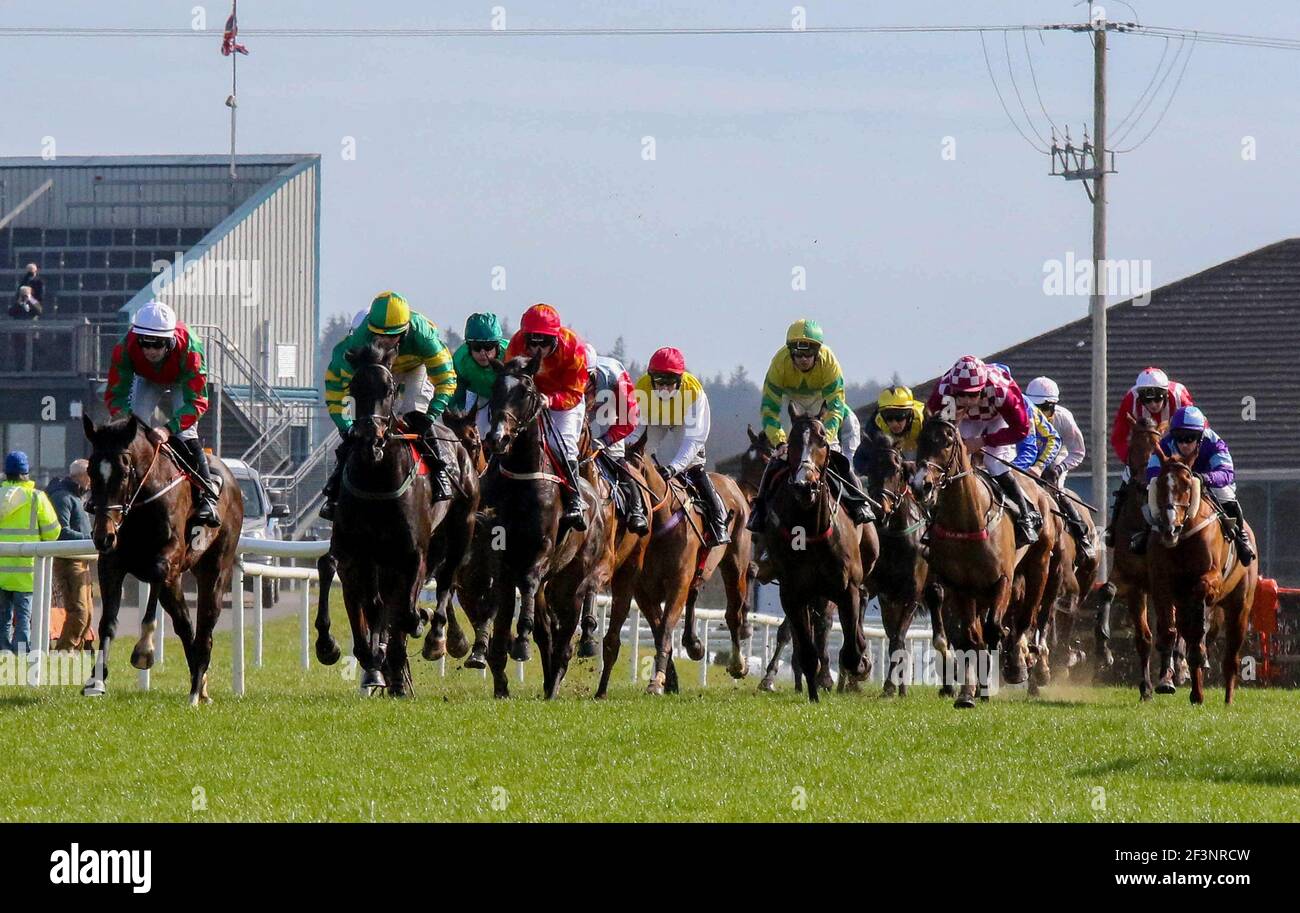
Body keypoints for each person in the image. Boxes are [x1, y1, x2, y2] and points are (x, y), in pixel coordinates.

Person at [320, 292, 458, 520]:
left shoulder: (423, 334)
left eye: (390, 337)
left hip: (416, 368)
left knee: (414, 413)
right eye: (377, 335)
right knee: (365, 420)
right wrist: (345, 426)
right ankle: (335, 486)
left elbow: (446, 378)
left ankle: (440, 471)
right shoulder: (358, 341)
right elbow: (335, 387)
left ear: (404, 332)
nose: (382, 341)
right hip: (377, 366)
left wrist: (431, 415)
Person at [748, 318, 873, 533]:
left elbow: (836, 406)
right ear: (791, 352)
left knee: (842, 454)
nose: (804, 360)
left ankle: (860, 503)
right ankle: (759, 511)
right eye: (798, 355)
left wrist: (827, 439)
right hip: (792, 403)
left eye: (808, 355)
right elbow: (769, 410)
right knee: (776, 461)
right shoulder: (779, 363)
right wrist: (779, 442)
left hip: (822, 403)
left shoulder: (830, 362)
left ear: (817, 352)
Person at [105, 300, 221, 526]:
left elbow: (196, 401)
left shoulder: (191, 349)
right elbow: (116, 395)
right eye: (144, 344)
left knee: (186, 435)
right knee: (130, 429)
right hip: (146, 378)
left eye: (157, 344)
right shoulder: (124, 348)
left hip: (181, 380)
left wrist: (168, 429)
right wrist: (129, 424)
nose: (149, 351)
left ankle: (208, 496)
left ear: (170, 341)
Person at [925, 354, 1043, 546]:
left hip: (997, 418)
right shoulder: (943, 392)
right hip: (964, 419)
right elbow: (935, 426)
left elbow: (1021, 430)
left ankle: (1025, 514)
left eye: (972, 394)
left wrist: (983, 441)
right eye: (960, 394)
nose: (966, 399)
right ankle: (934, 516)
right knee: (951, 462)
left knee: (993, 463)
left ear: (983, 387)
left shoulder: (1001, 391)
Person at [626, 347, 731, 546]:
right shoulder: (641, 387)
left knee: (694, 467)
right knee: (634, 460)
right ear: (651, 378)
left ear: (680, 380)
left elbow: (693, 440)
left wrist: (674, 467)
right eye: (659, 383)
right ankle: (634, 510)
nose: (664, 389)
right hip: (656, 419)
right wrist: (629, 449)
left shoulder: (694, 391)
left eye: (669, 383)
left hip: (686, 423)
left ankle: (718, 521)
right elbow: (635, 431)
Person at [503, 303, 589, 530]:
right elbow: (511, 379)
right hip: (531, 397)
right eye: (532, 341)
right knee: (506, 435)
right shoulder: (516, 344)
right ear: (525, 336)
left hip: (565, 400)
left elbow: (575, 391)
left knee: (561, 444)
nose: (537, 348)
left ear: (556, 338)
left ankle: (574, 500)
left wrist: (549, 400)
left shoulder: (574, 348)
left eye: (544, 342)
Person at [1133, 406, 1254, 564]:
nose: (1184, 444)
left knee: (1227, 495)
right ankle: (1146, 531)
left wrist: (1204, 478)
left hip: (1207, 479)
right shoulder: (1166, 443)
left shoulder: (1214, 443)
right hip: (1177, 483)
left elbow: (1226, 473)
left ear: (1200, 436)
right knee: (1154, 487)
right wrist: (1165, 477)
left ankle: (1241, 537)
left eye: (1190, 437)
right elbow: (1153, 470)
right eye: (1180, 437)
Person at [1105, 366, 1195, 545]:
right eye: (1147, 398)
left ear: (1165, 393)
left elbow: (1196, 428)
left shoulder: (1179, 397)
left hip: (1179, 448)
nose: (1153, 404)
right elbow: (1118, 437)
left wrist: (1183, 460)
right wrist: (1132, 463)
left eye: (1158, 398)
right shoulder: (1130, 400)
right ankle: (1113, 529)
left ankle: (1235, 531)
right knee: (1127, 483)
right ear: (1140, 396)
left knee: (1202, 482)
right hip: (1145, 454)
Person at [1024, 376, 1095, 557]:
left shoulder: (1064, 419)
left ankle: (1082, 538)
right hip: (1028, 459)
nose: (1038, 413)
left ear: (1053, 406)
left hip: (1056, 459)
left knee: (1057, 492)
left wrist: (1059, 468)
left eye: (1044, 408)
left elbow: (1078, 451)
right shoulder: (1021, 414)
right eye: (1034, 407)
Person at [0, 451, 61, 654]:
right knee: (23, 616)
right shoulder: (37, 497)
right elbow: (53, 532)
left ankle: (3, 650)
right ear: (26, 472)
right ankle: (21, 651)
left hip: (1, 570)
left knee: (3, 616)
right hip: (26, 570)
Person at [584, 343, 648, 534]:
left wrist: (606, 440)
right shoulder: (565, 371)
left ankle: (636, 510)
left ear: (594, 373)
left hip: (612, 413)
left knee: (614, 458)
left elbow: (630, 419)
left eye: (584, 378)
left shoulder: (614, 377)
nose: (579, 382)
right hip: (582, 411)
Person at [45, 461, 95, 651]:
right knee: (79, 612)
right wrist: (88, 539)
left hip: (81, 559)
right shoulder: (63, 497)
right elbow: (60, 532)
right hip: (69, 561)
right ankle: (64, 654)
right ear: (81, 476)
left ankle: (74, 652)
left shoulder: (75, 495)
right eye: (90, 476)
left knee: (88, 614)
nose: (92, 481)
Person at [450, 311, 509, 441]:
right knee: (478, 432)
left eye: (488, 347)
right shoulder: (461, 360)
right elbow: (457, 391)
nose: (483, 353)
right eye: (476, 347)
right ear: (469, 347)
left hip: (507, 399)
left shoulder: (510, 355)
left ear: (498, 346)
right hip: (478, 394)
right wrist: (455, 412)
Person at [852, 384, 925, 478]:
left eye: (900, 416)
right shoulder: (876, 425)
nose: (894, 423)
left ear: (910, 414)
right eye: (888, 417)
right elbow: (859, 461)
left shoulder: (924, 421)